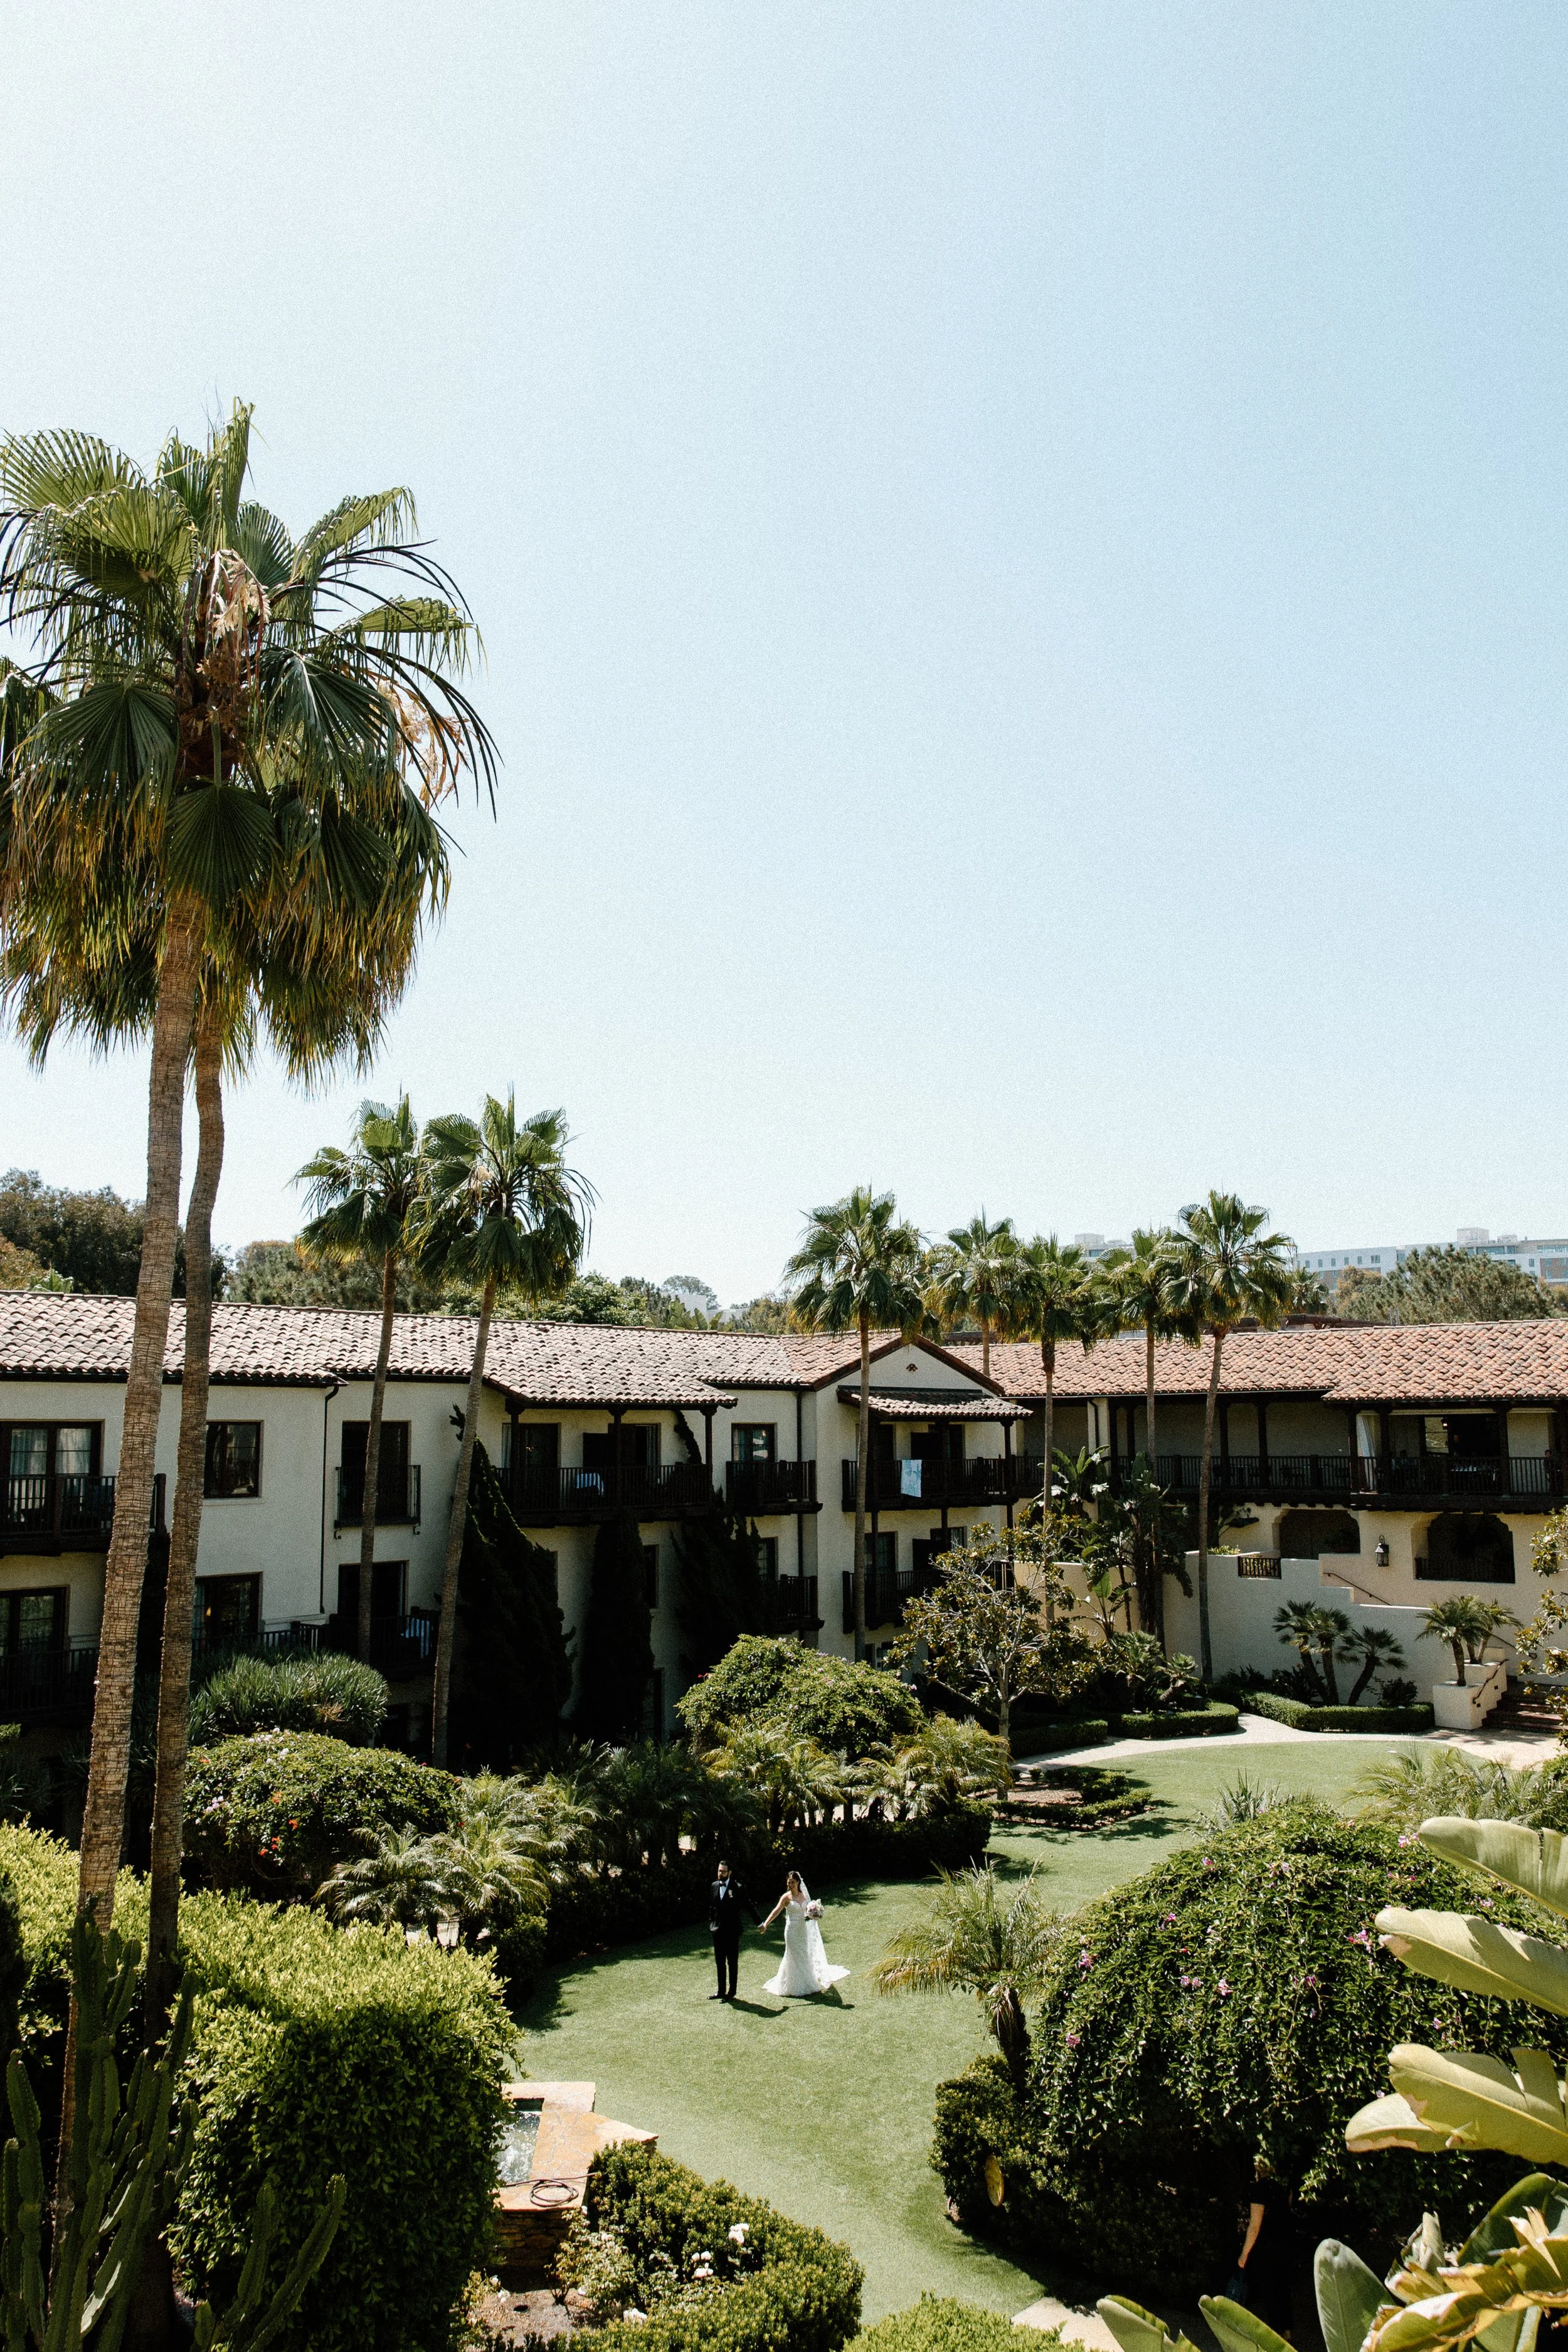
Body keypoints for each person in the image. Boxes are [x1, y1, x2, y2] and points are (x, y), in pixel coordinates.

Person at [760, 1870, 850, 1997]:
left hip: (803, 1930)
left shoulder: (804, 1896)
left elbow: (808, 1911)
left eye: (793, 1882)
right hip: (791, 1930)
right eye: (789, 1882)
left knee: (803, 1953)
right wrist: (766, 1924)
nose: (790, 1885)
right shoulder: (786, 1898)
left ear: (798, 1883)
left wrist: (814, 1914)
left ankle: (807, 1983)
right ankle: (791, 1985)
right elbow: (777, 1910)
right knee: (793, 1954)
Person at [1236, 2160, 1294, 2341]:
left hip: (1266, 2248)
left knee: (1269, 2291)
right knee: (1283, 2288)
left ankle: (1276, 2335)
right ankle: (1287, 2330)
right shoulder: (1283, 2187)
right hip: (1284, 2243)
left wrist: (1244, 2254)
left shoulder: (1259, 2190)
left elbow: (1254, 2226)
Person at [707, 1859, 758, 2001]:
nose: (720, 1873)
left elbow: (749, 1906)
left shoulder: (738, 1888)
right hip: (717, 1931)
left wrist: (759, 1923)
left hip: (732, 1931)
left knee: (732, 1962)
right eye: (719, 1871)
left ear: (729, 1873)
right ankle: (720, 1991)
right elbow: (712, 1907)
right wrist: (712, 1924)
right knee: (720, 1963)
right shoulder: (714, 1886)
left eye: (723, 1871)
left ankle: (732, 1992)